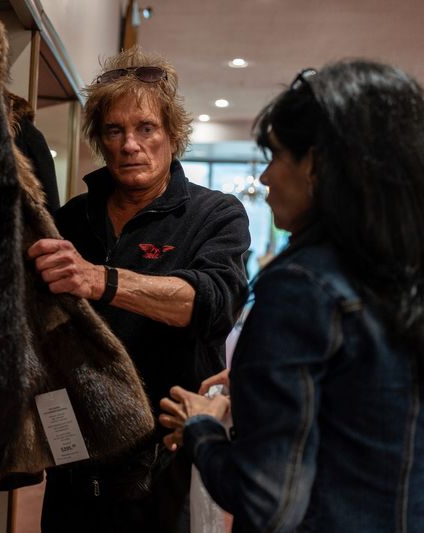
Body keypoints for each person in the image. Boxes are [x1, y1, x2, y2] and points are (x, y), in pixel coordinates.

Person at [159, 59, 424, 532]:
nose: (264, 179)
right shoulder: (402, 273)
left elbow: (268, 499)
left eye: (276, 157)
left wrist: (201, 427)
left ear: (318, 165)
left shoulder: (302, 287)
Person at [28, 45, 251, 533]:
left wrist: (100, 280)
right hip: (77, 461)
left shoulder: (216, 214)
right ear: (100, 141)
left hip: (167, 462)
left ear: (173, 135)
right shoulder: (70, 219)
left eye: (146, 128)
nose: (131, 144)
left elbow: (213, 304)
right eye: (115, 130)